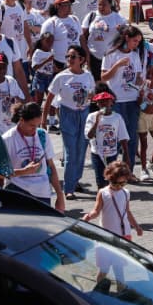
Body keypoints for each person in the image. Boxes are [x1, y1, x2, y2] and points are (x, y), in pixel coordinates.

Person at [45, 44, 96, 199]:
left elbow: (93, 94)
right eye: (67, 56)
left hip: (84, 114)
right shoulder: (61, 77)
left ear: (81, 59)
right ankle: (68, 188)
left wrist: (90, 97)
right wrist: (44, 120)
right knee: (70, 152)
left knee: (81, 151)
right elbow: (49, 99)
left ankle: (75, 180)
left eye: (73, 56)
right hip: (67, 114)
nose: (69, 59)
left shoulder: (88, 76)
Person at [1, 101, 66, 211]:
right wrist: (23, 171)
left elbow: (51, 166)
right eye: (32, 125)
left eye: (37, 125)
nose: (35, 129)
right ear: (22, 120)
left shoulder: (42, 135)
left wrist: (60, 196)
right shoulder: (7, 139)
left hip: (42, 193)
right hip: (17, 191)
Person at [82, 160, 143, 240]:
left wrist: (136, 227)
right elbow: (96, 211)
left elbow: (127, 212)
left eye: (122, 183)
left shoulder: (126, 193)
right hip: (108, 233)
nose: (119, 186)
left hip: (125, 232)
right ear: (109, 178)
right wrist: (88, 216)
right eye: (115, 183)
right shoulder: (103, 192)